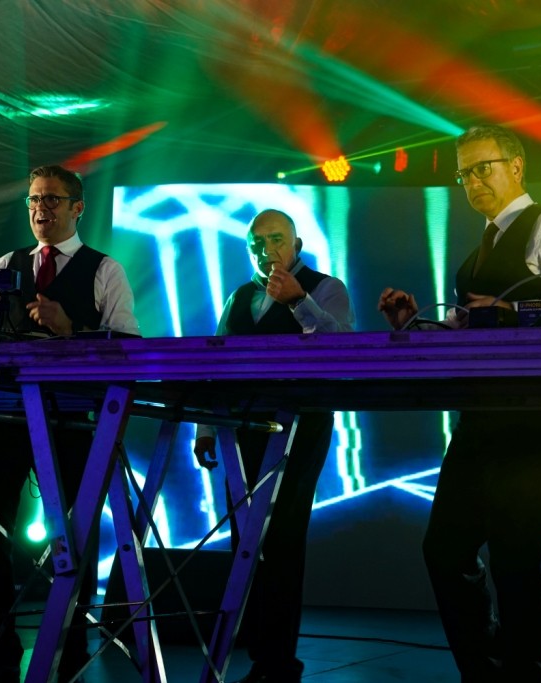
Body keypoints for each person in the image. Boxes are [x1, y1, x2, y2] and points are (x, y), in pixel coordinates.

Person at [378, 125, 541, 683]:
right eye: (463, 173)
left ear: (516, 166)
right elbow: (469, 329)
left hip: (537, 410)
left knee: (515, 560)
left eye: (482, 167)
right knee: (445, 550)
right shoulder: (477, 253)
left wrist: (516, 313)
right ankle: (485, 671)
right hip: (482, 414)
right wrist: (415, 325)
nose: (472, 181)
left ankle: (521, 675)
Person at [0, 164, 140, 683]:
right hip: (6, 414)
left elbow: (129, 349)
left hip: (71, 420)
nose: (40, 208)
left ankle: (69, 654)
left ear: (77, 208)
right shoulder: (8, 264)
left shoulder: (105, 269)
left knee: (75, 535)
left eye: (51, 199)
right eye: (34, 199)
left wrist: (72, 329)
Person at [193, 209, 355, 683]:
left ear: (297, 243)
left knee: (282, 538)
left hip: (300, 427)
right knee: (246, 538)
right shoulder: (240, 296)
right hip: (242, 428)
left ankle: (279, 663)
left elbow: (342, 348)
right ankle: (260, 654)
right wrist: (205, 429)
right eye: (257, 243)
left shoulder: (326, 287)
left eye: (276, 240)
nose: (267, 251)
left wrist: (299, 301)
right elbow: (216, 363)